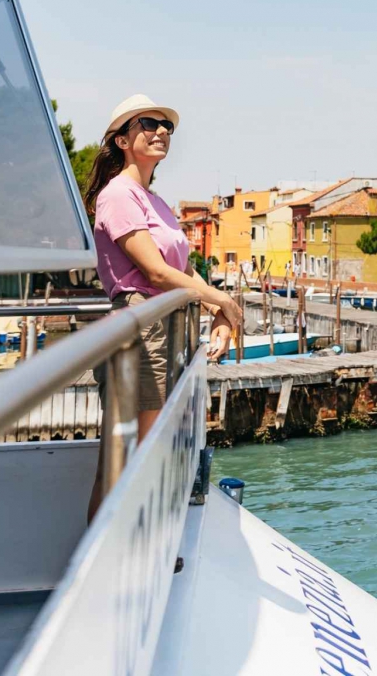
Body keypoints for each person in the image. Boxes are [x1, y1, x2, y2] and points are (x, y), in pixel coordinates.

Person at [83, 94, 242, 518]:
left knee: (149, 450)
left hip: (167, 326)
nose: (161, 131)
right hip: (141, 327)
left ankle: (138, 551)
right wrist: (221, 298)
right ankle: (100, 569)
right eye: (148, 123)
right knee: (124, 459)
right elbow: (154, 272)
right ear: (121, 140)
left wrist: (218, 311)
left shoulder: (153, 200)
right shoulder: (118, 195)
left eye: (167, 126)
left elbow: (183, 269)